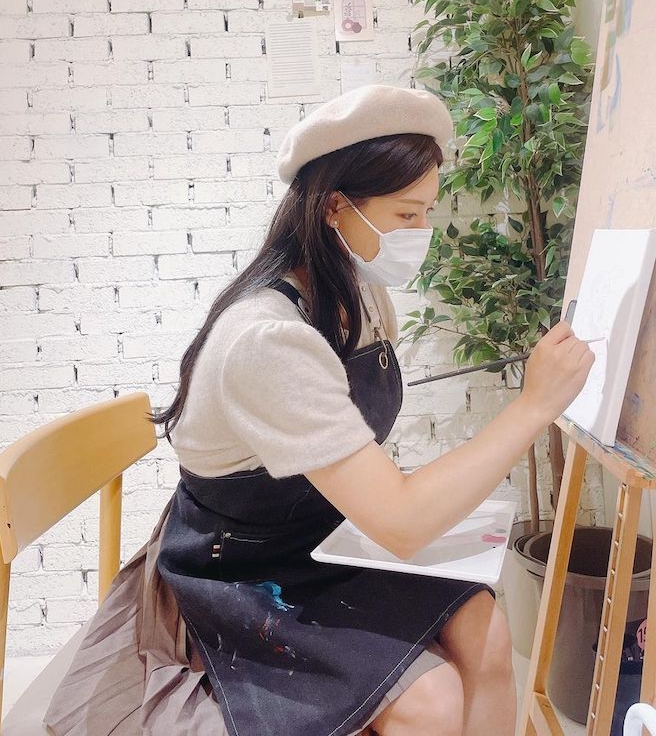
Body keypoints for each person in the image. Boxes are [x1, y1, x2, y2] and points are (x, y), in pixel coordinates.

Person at [44, 84, 593, 736]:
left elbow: (370, 488)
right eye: (406, 213)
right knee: (433, 699)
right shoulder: (267, 340)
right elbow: (400, 521)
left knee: (489, 634)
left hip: (325, 532)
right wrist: (533, 406)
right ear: (335, 206)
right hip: (242, 568)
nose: (422, 234)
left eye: (427, 212)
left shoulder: (358, 295)